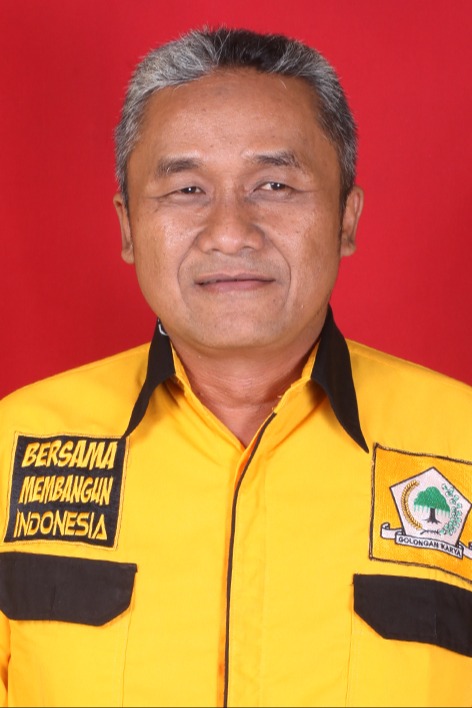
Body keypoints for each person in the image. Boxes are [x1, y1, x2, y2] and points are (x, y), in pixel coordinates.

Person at [1, 25, 472, 708]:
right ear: (128, 226)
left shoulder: (462, 442)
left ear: (346, 217)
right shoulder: (13, 446)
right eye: (187, 189)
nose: (229, 232)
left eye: (275, 184)